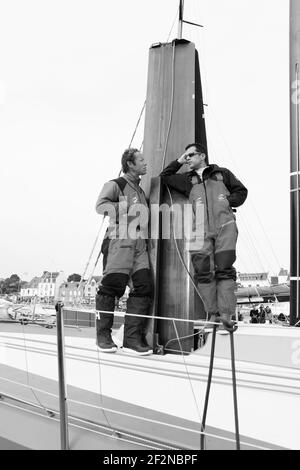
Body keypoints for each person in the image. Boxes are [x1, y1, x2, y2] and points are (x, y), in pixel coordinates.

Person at [160, 143, 248, 333]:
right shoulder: (186, 180)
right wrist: (179, 161)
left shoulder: (222, 173)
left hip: (225, 227)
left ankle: (226, 315)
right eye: (186, 156)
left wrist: (228, 202)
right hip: (199, 232)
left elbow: (242, 192)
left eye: (191, 155)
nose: (188, 158)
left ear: (202, 155)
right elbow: (164, 177)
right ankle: (213, 315)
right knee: (203, 273)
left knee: (224, 270)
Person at [95, 148, 153, 355]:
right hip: (119, 240)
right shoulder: (116, 184)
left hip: (139, 243)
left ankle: (131, 339)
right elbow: (100, 206)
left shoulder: (140, 191)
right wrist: (125, 206)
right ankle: (103, 337)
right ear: (130, 164)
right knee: (110, 288)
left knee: (144, 287)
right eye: (141, 160)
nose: (145, 163)